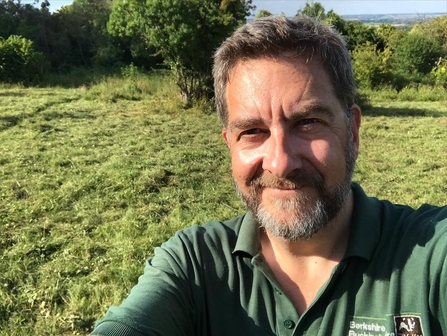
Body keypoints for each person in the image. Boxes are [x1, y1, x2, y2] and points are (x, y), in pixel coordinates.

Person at [91, 15, 447, 336]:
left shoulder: (429, 256)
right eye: (253, 132)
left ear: (351, 131)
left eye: (308, 123)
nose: (280, 163)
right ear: (230, 143)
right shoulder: (194, 265)